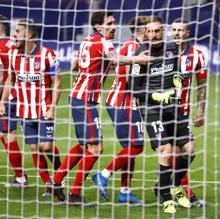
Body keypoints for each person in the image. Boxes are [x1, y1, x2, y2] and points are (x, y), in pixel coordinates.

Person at [47, 11, 152, 206]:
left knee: (84, 145)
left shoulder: (87, 40)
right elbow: (115, 58)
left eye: (114, 23)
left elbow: (74, 64)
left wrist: (98, 67)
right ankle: (75, 193)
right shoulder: (104, 42)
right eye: (109, 24)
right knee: (96, 148)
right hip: (85, 99)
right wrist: (138, 60)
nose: (113, 27)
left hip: (77, 96)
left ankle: (56, 181)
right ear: (98, 27)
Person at [129, 16, 193, 214]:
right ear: (145, 33)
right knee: (165, 150)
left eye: (157, 31)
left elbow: (174, 73)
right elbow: (133, 88)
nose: (154, 35)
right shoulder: (141, 54)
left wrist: (177, 83)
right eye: (150, 31)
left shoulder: (172, 49)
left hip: (172, 106)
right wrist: (156, 95)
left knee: (189, 150)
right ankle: (166, 197)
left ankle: (174, 186)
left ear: (162, 30)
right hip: (151, 109)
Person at [91, 16, 149, 204]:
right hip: (122, 101)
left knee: (129, 148)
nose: (156, 33)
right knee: (137, 146)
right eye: (151, 28)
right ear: (143, 29)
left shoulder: (139, 46)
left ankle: (125, 192)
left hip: (126, 101)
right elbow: (128, 79)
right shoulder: (133, 47)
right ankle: (103, 175)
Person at [0, 19, 61, 194]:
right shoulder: (13, 55)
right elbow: (10, 80)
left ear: (28, 35)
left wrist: (52, 107)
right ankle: (51, 185)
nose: (14, 34)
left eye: (18, 31)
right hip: (24, 110)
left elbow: (57, 82)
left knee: (46, 147)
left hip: (44, 108)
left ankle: (60, 173)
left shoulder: (48, 54)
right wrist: (2, 101)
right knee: (35, 149)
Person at [169, 18, 207, 207]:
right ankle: (183, 192)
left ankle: (168, 187)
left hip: (182, 112)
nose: (176, 33)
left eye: (180, 30)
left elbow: (202, 86)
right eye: (173, 30)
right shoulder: (162, 52)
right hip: (160, 111)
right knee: (172, 153)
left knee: (187, 151)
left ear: (187, 33)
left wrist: (200, 112)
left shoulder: (197, 56)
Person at [0, 15, 27, 188]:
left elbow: (4, 74)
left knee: (8, 135)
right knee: (4, 134)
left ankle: (20, 178)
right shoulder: (12, 44)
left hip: (7, 95)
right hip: (18, 94)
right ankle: (20, 176)